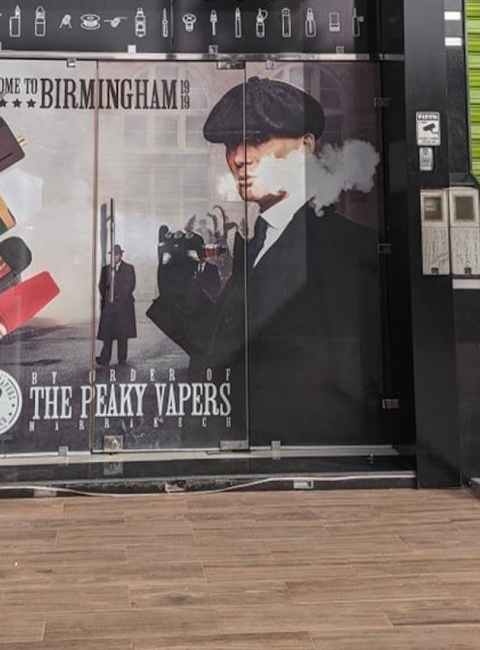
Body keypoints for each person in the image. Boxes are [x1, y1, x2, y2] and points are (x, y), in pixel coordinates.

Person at [149, 76, 382, 447]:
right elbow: (231, 346)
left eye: (258, 138)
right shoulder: (260, 239)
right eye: (231, 143)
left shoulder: (349, 248)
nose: (239, 157)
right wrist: (180, 291)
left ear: (305, 146)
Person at [96, 244, 137, 366]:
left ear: (120, 255)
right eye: (112, 255)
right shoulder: (105, 269)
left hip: (123, 306)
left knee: (122, 334)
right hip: (109, 306)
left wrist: (119, 296)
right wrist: (108, 297)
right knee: (107, 333)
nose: (114, 257)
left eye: (116, 255)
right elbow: (101, 285)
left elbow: (130, 285)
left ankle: (122, 358)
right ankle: (105, 358)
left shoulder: (129, 268)